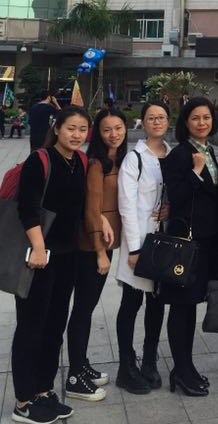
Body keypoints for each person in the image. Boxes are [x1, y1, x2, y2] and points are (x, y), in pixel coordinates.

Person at [11, 105, 91, 424]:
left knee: (55, 326)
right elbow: (27, 208)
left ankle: (43, 391)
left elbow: (79, 207)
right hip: (39, 258)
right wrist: (38, 247)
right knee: (31, 327)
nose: (77, 134)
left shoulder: (80, 161)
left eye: (82, 129)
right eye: (71, 128)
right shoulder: (40, 160)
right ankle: (23, 401)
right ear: (57, 128)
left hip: (68, 256)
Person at [159, 97, 218, 397]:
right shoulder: (181, 154)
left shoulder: (209, 151)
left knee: (191, 304)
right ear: (186, 122)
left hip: (207, 242)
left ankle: (186, 367)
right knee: (181, 306)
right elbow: (178, 198)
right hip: (186, 243)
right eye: (195, 118)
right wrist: (195, 172)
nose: (202, 123)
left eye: (206, 117)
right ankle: (181, 370)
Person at [65, 108, 128, 401]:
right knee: (83, 309)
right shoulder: (95, 164)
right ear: (98, 134)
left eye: (118, 128)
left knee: (86, 308)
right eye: (106, 130)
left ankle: (82, 364)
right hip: (91, 247)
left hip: (106, 244)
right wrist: (101, 253)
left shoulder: (119, 160)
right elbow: (92, 210)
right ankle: (75, 376)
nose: (113, 134)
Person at [115, 102, 170, 394]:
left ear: (168, 121)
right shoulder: (134, 159)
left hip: (164, 244)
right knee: (131, 302)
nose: (157, 122)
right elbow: (126, 206)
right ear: (143, 123)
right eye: (151, 118)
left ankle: (149, 360)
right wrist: (135, 250)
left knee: (156, 303)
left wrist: (170, 209)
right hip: (139, 244)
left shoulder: (172, 156)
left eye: (161, 117)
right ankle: (126, 366)